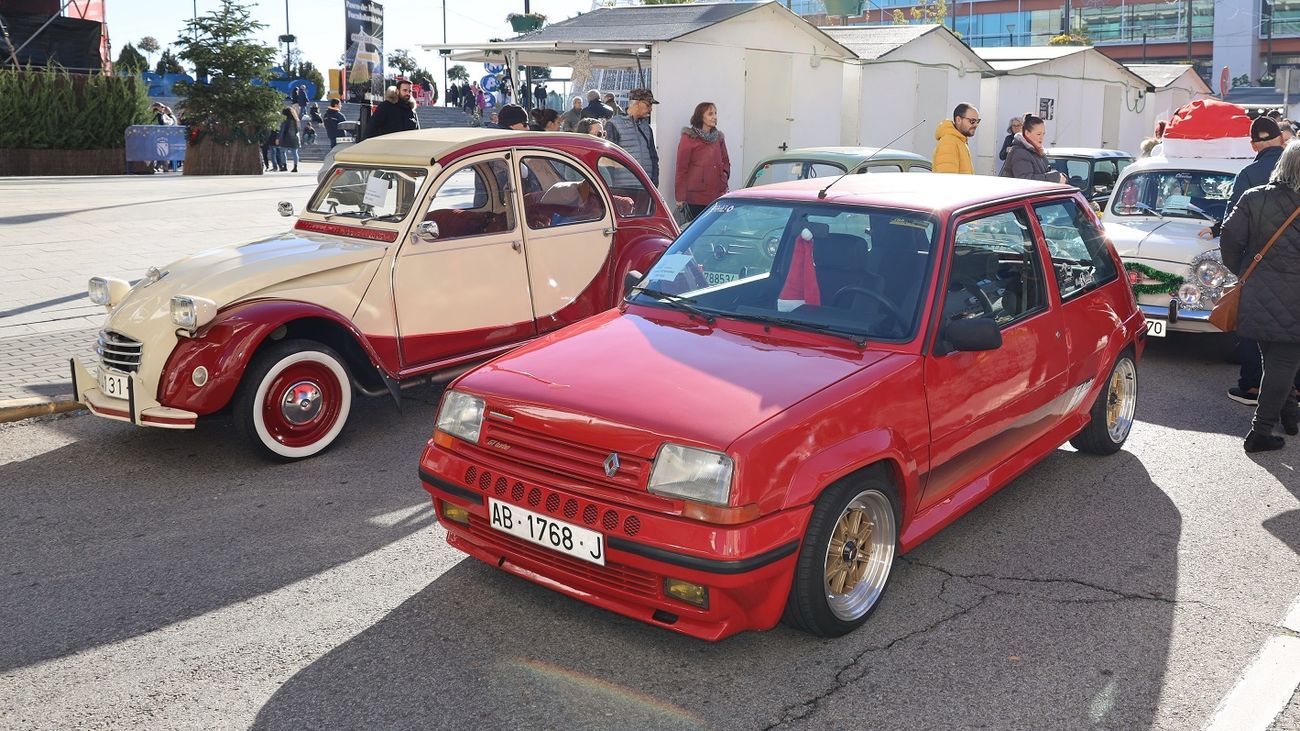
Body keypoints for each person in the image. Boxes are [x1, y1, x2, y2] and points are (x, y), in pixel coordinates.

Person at [1196, 116, 1288, 406]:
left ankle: (1252, 387)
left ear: (1253, 145)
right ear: (1282, 140)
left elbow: (1233, 226)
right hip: (1295, 265)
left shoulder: (1248, 174)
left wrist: (1238, 265)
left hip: (1257, 263)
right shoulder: (1295, 169)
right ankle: (1292, 389)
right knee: (1292, 325)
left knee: (1252, 325)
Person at [1219, 140, 1300, 452]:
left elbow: (1228, 236)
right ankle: (1260, 432)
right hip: (1294, 298)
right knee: (1283, 361)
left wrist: (1241, 270)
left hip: (1257, 291)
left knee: (1276, 359)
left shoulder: (1254, 198)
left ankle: (1290, 416)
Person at [674, 101, 731, 221]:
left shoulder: (718, 138)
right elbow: (681, 168)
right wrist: (680, 197)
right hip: (696, 198)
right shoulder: (689, 138)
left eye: (715, 113)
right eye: (710, 114)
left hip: (717, 195)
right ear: (701, 116)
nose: (715, 117)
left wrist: (724, 177)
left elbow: (726, 161)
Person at [606, 88, 660, 186]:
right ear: (636, 103)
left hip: (646, 188)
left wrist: (654, 183)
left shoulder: (646, 128)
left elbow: (653, 157)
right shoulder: (614, 124)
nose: (651, 109)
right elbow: (608, 159)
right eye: (648, 105)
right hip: (623, 188)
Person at [999, 113, 1069, 183]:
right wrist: (1055, 178)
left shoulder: (1038, 152)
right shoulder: (1020, 152)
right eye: (1038, 134)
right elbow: (1025, 180)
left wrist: (1060, 177)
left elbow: (1045, 173)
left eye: (1043, 134)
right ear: (1027, 133)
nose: (1041, 137)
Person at [932, 103, 979, 174]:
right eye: (972, 121)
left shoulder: (960, 142)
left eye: (977, 121)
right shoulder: (948, 142)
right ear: (958, 120)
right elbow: (948, 179)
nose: (975, 125)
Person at [277, 106, 301, 172]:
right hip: (295, 138)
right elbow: (298, 130)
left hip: (285, 138)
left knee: (283, 152)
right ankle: (295, 167)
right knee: (295, 153)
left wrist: (278, 138)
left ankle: (284, 166)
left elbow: (282, 130)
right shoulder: (296, 120)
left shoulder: (285, 121)